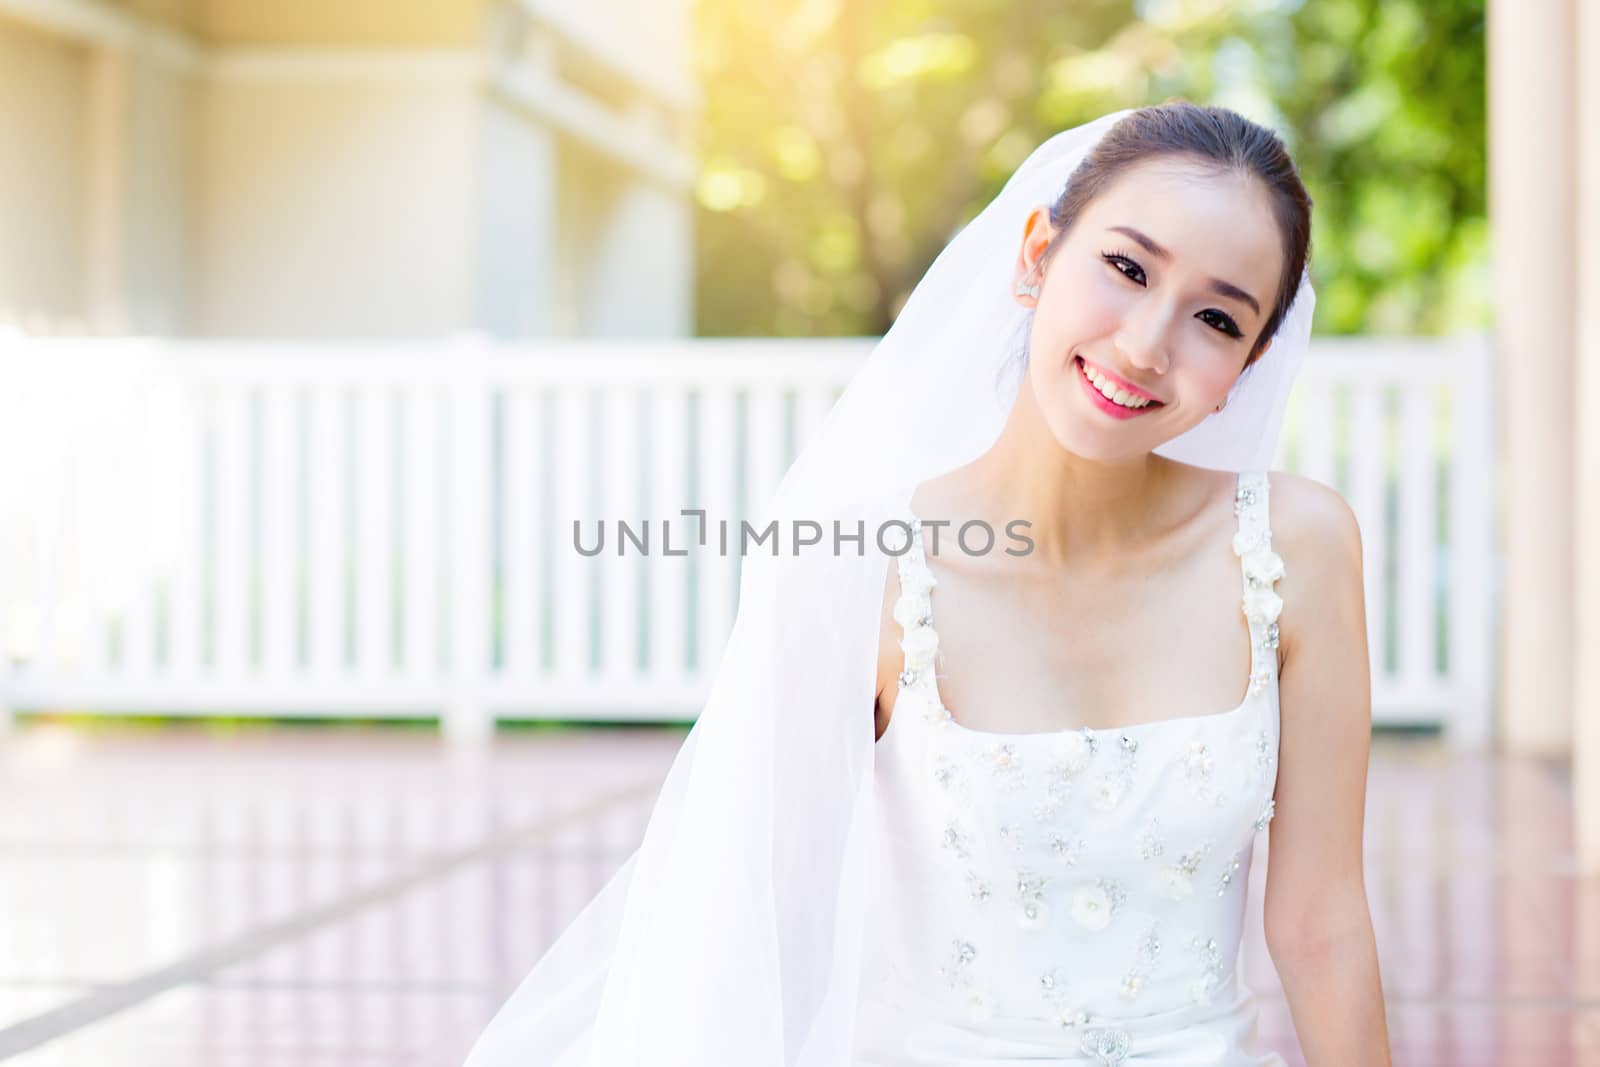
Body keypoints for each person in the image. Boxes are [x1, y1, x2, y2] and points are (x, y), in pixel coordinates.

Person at [463, 102, 1391, 1067]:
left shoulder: (1297, 548)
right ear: (1036, 255)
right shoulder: (864, 565)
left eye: (1216, 318)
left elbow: (1323, 923)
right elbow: (746, 916)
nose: (1148, 344)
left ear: (1244, 369)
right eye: (1126, 268)